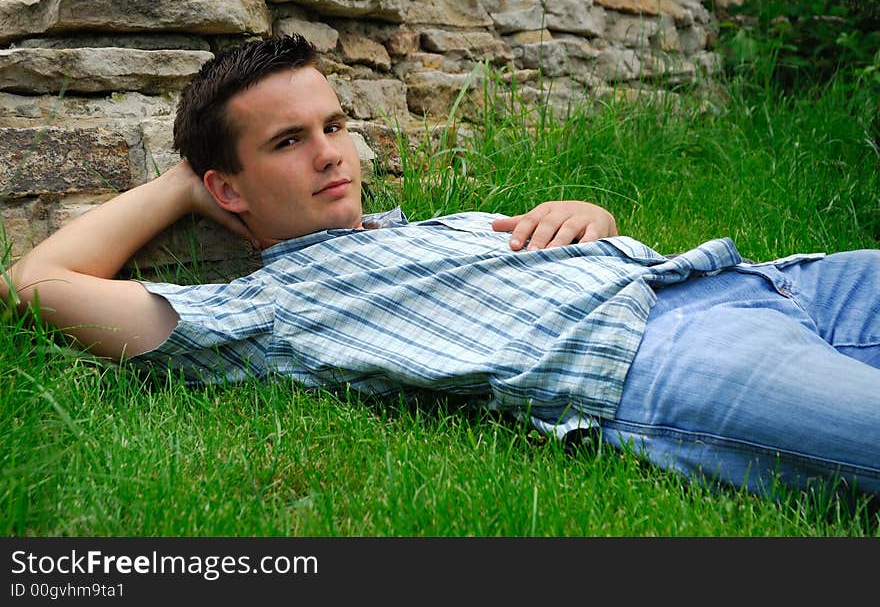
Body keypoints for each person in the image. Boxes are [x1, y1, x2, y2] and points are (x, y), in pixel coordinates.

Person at [3, 35, 878, 500]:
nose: (331, 154)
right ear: (228, 186)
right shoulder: (276, 309)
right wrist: (182, 185)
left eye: (335, 125)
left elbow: (560, 245)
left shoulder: (430, 222)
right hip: (666, 362)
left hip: (766, 279)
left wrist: (593, 219)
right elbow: (34, 282)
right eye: (289, 142)